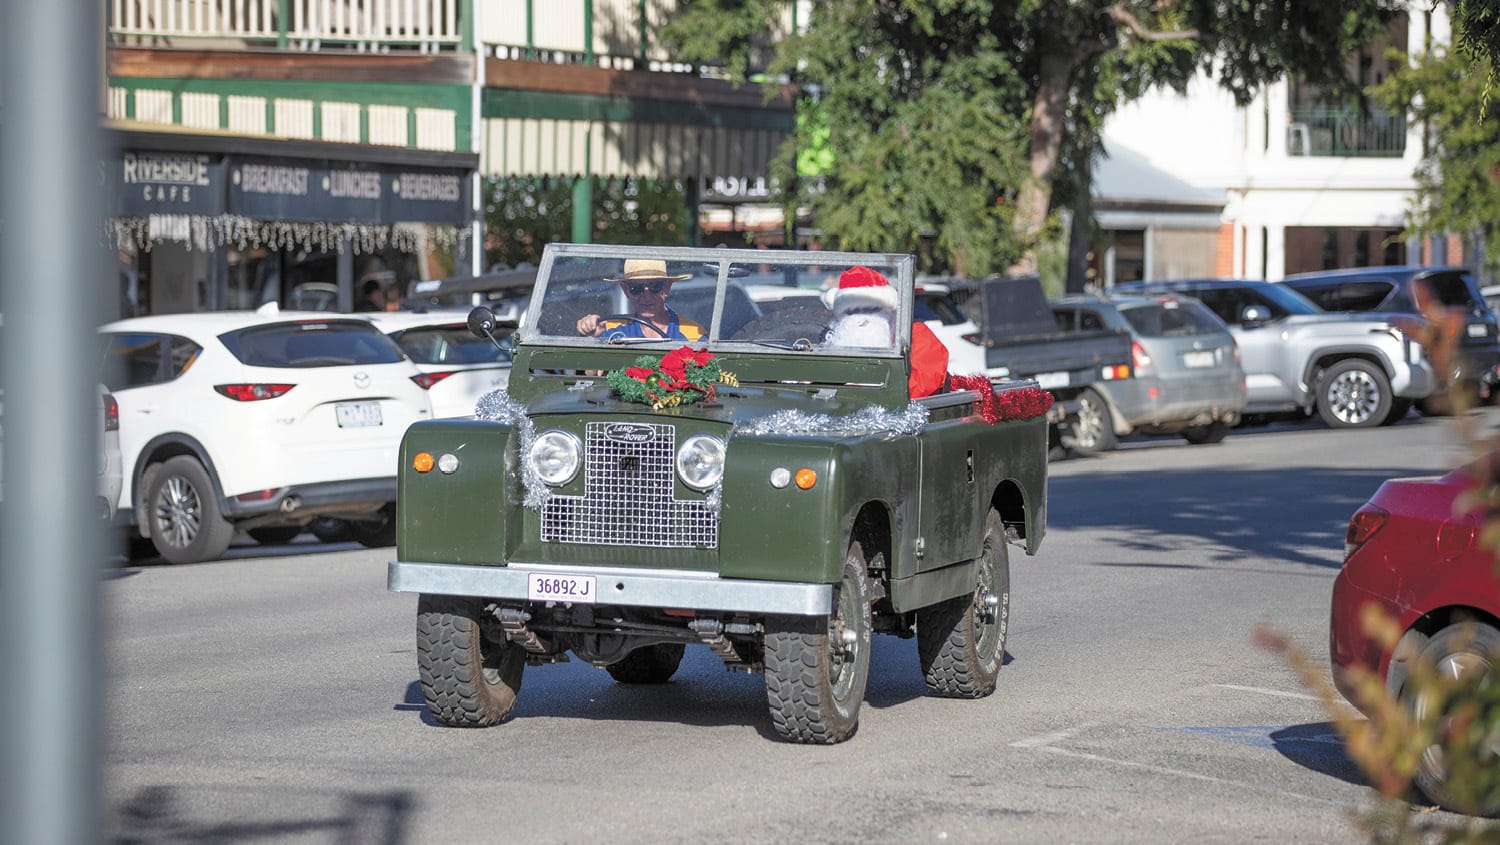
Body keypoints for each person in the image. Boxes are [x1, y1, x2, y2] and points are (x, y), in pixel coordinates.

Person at [826, 265, 949, 398]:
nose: (861, 320)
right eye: (852, 312)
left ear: (889, 311)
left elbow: (916, 388)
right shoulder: (833, 343)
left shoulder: (915, 335)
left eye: (872, 309)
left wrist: (858, 388)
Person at [576, 259, 704, 341]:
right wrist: (590, 337)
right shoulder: (611, 329)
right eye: (636, 288)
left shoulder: (693, 334)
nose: (646, 296)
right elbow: (590, 374)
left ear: (667, 287)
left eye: (655, 287)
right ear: (626, 290)